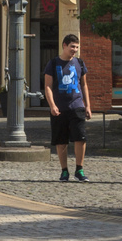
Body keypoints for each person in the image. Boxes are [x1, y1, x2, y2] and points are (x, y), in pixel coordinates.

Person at [43, 33, 94, 182]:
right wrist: (52, 105)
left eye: (77, 47)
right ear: (64, 46)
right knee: (61, 141)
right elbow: (47, 86)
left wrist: (88, 106)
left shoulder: (80, 63)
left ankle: (79, 169)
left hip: (77, 105)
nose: (75, 50)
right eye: (72, 47)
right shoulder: (53, 64)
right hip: (59, 108)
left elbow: (84, 85)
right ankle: (64, 171)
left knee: (80, 138)